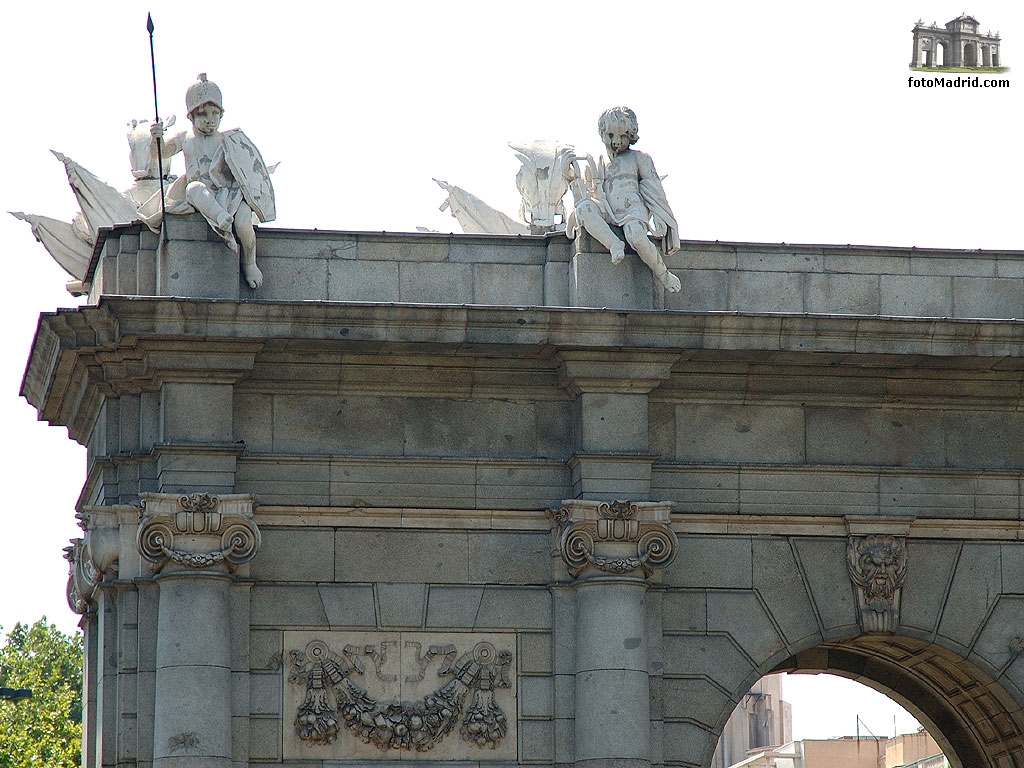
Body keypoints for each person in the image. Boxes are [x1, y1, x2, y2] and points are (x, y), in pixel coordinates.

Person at [146, 73, 275, 289]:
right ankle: (221, 217)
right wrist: (156, 138)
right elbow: (161, 153)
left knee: (244, 225)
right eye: (203, 114)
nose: (210, 119)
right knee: (193, 188)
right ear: (191, 116)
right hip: (202, 195)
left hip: (229, 193)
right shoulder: (185, 137)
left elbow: (246, 169)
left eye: (215, 113)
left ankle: (249, 262)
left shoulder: (229, 140)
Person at [567, 107, 682, 293]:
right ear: (602, 133)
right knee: (584, 209)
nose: (616, 141)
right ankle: (614, 244)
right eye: (610, 135)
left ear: (631, 135)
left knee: (636, 236)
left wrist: (661, 216)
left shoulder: (640, 158)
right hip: (606, 209)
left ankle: (663, 274)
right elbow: (586, 192)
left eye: (622, 136)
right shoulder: (596, 161)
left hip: (632, 210)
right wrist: (571, 175)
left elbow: (654, 189)